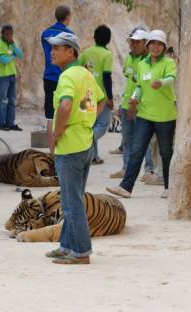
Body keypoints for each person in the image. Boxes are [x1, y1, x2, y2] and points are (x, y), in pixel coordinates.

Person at [44, 32, 105, 265]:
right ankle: (67, 245)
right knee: (73, 198)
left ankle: (81, 251)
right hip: (85, 141)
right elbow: (100, 100)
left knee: (71, 202)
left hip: (69, 145)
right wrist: (86, 119)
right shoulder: (85, 74)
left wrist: (57, 133)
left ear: (70, 51)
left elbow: (66, 105)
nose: (52, 52)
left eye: (57, 48)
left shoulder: (68, 76)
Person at [107, 29, 176, 199]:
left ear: (164, 46)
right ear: (148, 45)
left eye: (159, 44)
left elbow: (172, 79)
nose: (155, 47)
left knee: (166, 152)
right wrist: (134, 99)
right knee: (137, 150)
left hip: (165, 116)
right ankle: (126, 187)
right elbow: (139, 86)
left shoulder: (169, 63)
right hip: (145, 114)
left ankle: (169, 187)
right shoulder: (142, 64)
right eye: (152, 43)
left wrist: (162, 82)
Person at [109, 28, 155, 180]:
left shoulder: (150, 61)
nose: (133, 45)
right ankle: (126, 168)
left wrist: (136, 104)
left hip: (142, 106)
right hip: (126, 104)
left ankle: (149, 170)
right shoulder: (129, 58)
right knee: (126, 139)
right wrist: (123, 105)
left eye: (136, 42)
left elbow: (144, 85)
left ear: (145, 43)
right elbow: (129, 81)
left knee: (144, 139)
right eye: (132, 42)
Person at [79, 24, 114, 165]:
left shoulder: (86, 52)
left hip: (86, 93)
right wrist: (110, 98)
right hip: (100, 96)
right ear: (108, 40)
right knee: (103, 125)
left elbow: (79, 69)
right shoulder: (107, 55)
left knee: (90, 124)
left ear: (94, 37)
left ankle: (94, 157)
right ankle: (86, 140)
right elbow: (106, 77)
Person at [40, 5, 74, 142]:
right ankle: (62, 146)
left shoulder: (45, 33)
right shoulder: (69, 35)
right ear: (68, 17)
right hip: (64, 77)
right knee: (65, 111)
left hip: (48, 76)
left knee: (50, 115)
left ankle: (51, 151)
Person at [0, 24, 23, 131]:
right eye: (7, 34)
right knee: (3, 100)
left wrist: (14, 46)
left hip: (12, 75)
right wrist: (13, 56)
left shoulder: (12, 43)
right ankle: (1, 123)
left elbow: (20, 55)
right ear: (2, 34)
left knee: (12, 100)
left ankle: (10, 123)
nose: (9, 36)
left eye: (11, 34)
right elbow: (3, 60)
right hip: (3, 76)